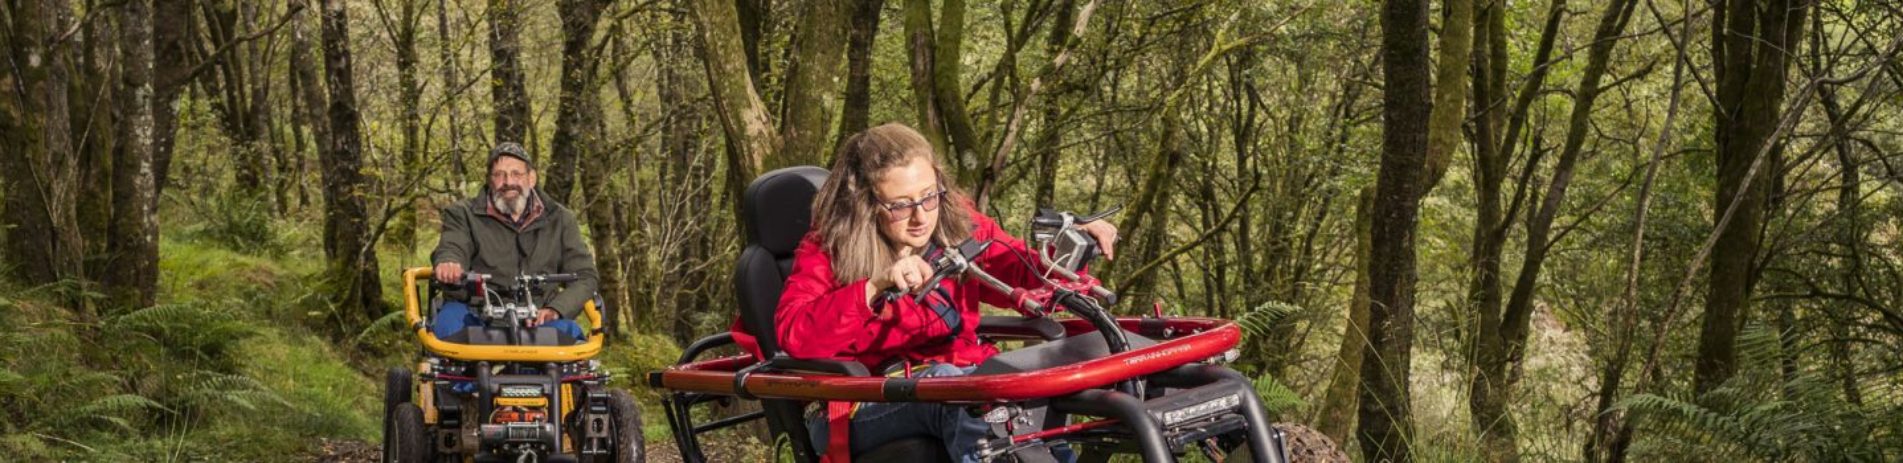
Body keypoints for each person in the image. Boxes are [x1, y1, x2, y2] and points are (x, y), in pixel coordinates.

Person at [736, 123, 1118, 463]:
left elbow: (1022, 270)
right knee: (960, 394)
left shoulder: (958, 227)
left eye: (929, 197)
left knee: (1021, 397)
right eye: (900, 206)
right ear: (867, 203)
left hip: (960, 380)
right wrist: (874, 285)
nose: (921, 217)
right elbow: (797, 336)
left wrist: (1070, 249)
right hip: (862, 400)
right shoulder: (827, 250)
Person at [429, 142, 598, 342]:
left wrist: (556, 309)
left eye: (516, 174)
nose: (508, 182)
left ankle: (539, 372)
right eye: (499, 175)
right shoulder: (462, 214)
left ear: (532, 178)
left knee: (570, 338)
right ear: (489, 180)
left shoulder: (560, 219)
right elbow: (453, 245)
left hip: (538, 316)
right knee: (448, 326)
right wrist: (449, 263)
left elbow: (585, 275)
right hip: (475, 312)